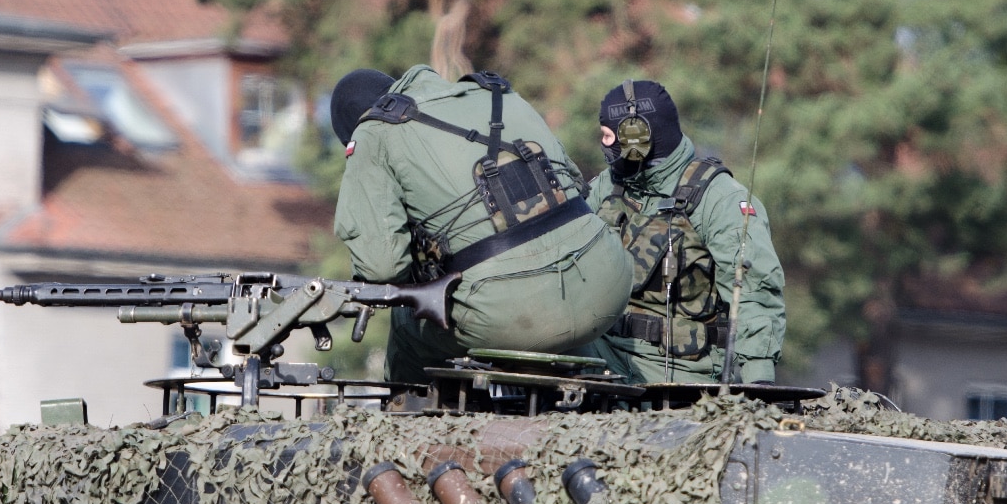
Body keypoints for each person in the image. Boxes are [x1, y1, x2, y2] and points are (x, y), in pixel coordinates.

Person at [331, 64, 633, 384]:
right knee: (562, 313)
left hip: (513, 314)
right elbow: (575, 185)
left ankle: (409, 429)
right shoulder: (497, 91)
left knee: (408, 325)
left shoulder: (373, 131)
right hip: (609, 282)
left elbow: (382, 270)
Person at [582, 80, 785, 385]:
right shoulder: (608, 187)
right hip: (603, 358)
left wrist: (760, 382)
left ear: (636, 140)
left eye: (609, 136)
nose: (604, 144)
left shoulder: (719, 200)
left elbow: (755, 295)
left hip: (679, 375)